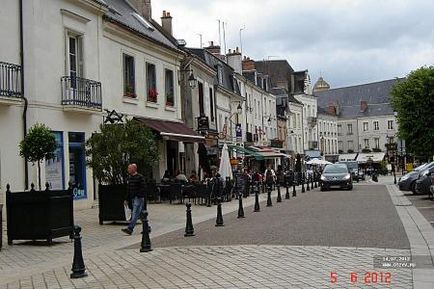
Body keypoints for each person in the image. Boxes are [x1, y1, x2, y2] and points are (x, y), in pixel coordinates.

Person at [122, 164, 146, 235]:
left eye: (129, 168)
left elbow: (143, 187)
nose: (128, 170)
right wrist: (126, 199)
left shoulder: (140, 177)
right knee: (141, 214)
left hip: (138, 198)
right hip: (132, 198)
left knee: (135, 213)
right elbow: (128, 189)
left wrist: (138, 195)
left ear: (134, 169)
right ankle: (147, 227)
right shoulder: (130, 178)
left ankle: (130, 228)